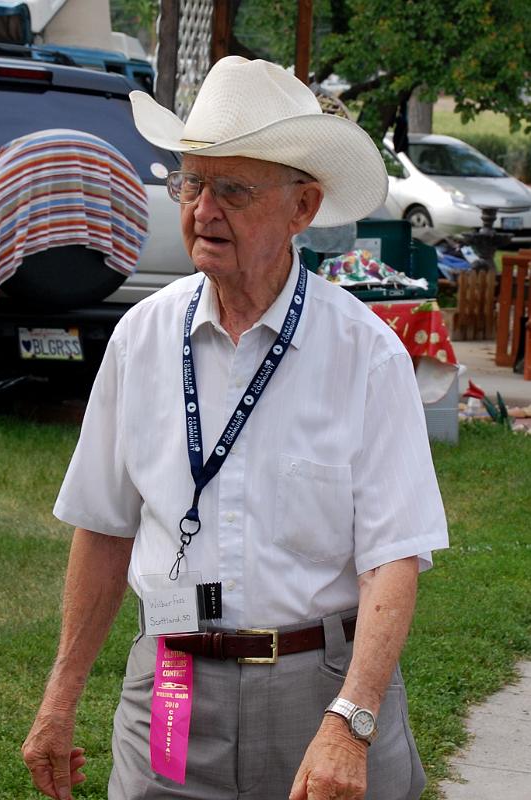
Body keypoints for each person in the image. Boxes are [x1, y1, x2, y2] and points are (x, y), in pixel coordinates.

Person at [22, 56, 448, 800]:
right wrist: (59, 701)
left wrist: (348, 721)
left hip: (319, 687)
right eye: (189, 183)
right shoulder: (141, 338)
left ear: (301, 207)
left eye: (232, 190)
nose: (201, 210)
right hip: (173, 679)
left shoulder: (365, 354)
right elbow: (102, 526)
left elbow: (394, 558)